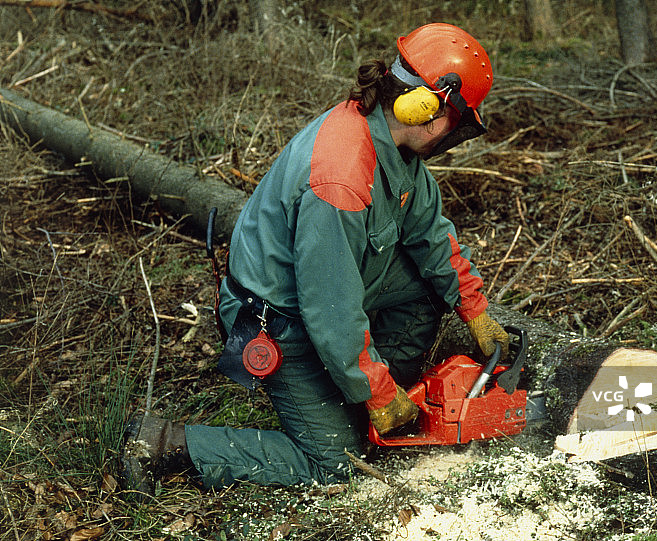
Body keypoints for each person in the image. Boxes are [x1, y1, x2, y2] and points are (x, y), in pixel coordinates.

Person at [120, 22, 509, 496]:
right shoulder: (341, 175)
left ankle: (358, 398)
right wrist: (377, 391)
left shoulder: (394, 144)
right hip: (280, 319)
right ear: (429, 108)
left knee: (426, 289)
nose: (452, 134)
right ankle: (164, 442)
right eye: (457, 121)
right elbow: (330, 308)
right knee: (336, 464)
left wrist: (475, 310)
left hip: (335, 286)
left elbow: (430, 233)